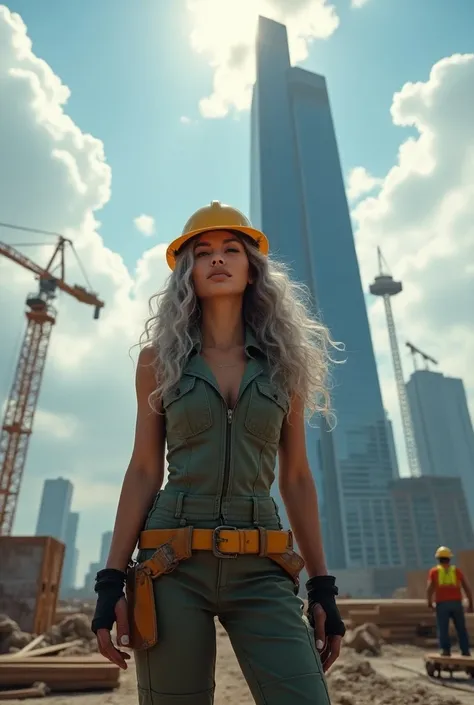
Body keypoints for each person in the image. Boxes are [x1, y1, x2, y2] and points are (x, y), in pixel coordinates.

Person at [91, 201, 346, 705]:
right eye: (202, 252)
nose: (218, 259)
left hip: (263, 563)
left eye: (232, 249)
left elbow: (295, 477)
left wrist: (322, 587)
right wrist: (110, 581)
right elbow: (144, 469)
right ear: (187, 271)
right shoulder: (157, 361)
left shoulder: (285, 364)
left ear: (253, 270)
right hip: (171, 564)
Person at [427, 545, 473, 657]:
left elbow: (430, 588)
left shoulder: (434, 571)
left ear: (438, 559)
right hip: (457, 603)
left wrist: (429, 602)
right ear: (449, 558)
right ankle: (465, 651)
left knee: (443, 628)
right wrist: (471, 602)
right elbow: (466, 587)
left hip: (442, 604)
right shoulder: (456, 571)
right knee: (461, 628)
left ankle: (445, 651)